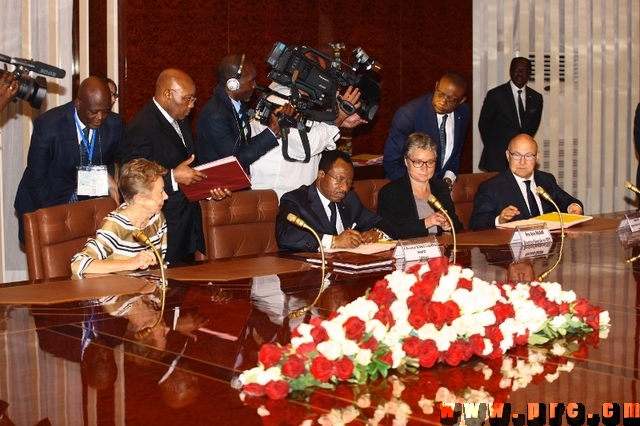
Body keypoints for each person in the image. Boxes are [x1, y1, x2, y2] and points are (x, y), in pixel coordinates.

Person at [120, 68, 230, 264]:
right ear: (167, 94)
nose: (192, 105)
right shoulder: (141, 128)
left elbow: (186, 167)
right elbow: (131, 181)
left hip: (186, 223)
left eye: (194, 99)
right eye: (188, 99)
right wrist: (172, 177)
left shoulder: (180, 120)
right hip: (161, 227)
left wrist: (208, 186)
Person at [14, 76, 123, 244]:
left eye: (105, 111)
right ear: (78, 104)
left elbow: (130, 159)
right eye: (93, 112)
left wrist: (117, 183)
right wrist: (56, 219)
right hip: (45, 200)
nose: (100, 117)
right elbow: (37, 179)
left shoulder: (115, 124)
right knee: (50, 264)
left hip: (86, 206)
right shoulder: (48, 126)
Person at [249, 51, 367, 198]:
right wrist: (340, 117)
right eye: (321, 73)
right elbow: (308, 145)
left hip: (292, 196)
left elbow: (312, 131)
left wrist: (340, 121)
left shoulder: (295, 99)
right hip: (276, 197)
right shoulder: (279, 102)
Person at [276, 150, 394, 252]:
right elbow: (285, 235)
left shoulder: (350, 200)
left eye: (349, 183)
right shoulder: (296, 200)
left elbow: (383, 223)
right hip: (307, 271)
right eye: (339, 180)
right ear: (321, 174)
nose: (344, 188)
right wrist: (334, 241)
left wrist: (376, 233)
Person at [71, 158, 168, 277]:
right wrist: (129, 263)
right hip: (118, 292)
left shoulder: (156, 218)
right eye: (161, 192)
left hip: (147, 290)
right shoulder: (115, 225)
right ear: (140, 199)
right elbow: (77, 264)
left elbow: (159, 264)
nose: (166, 196)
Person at [196, 54, 295, 170]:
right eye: (251, 81)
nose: (255, 85)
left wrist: (273, 129)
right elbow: (235, 161)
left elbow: (242, 146)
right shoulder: (216, 115)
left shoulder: (238, 103)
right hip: (218, 186)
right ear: (232, 85)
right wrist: (271, 131)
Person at [469, 134, 583, 230]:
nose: (522, 162)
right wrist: (500, 219)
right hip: (510, 251)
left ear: (537, 157)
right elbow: (477, 223)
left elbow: (566, 201)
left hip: (548, 250)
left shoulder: (546, 179)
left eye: (528, 156)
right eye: (517, 155)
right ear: (508, 156)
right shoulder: (491, 187)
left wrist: (573, 206)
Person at [383, 72, 470, 190]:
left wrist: (448, 179)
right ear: (436, 86)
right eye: (440, 94)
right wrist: (418, 190)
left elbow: (457, 151)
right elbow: (392, 162)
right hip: (404, 189)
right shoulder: (409, 115)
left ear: (461, 101)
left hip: (439, 190)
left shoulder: (463, 112)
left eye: (451, 99)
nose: (442, 102)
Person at [378, 133, 463, 239]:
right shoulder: (390, 192)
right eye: (418, 162)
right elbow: (388, 231)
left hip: (440, 251)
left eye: (430, 162)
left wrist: (449, 225)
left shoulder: (441, 187)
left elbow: (458, 225)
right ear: (406, 161)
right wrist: (426, 223)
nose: (425, 168)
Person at [478, 57, 544, 173]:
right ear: (510, 71)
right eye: (516, 70)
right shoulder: (496, 94)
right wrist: (495, 147)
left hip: (524, 159)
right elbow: (484, 124)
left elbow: (533, 126)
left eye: (523, 71)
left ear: (529, 74)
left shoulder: (536, 98)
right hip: (498, 158)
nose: (519, 73)